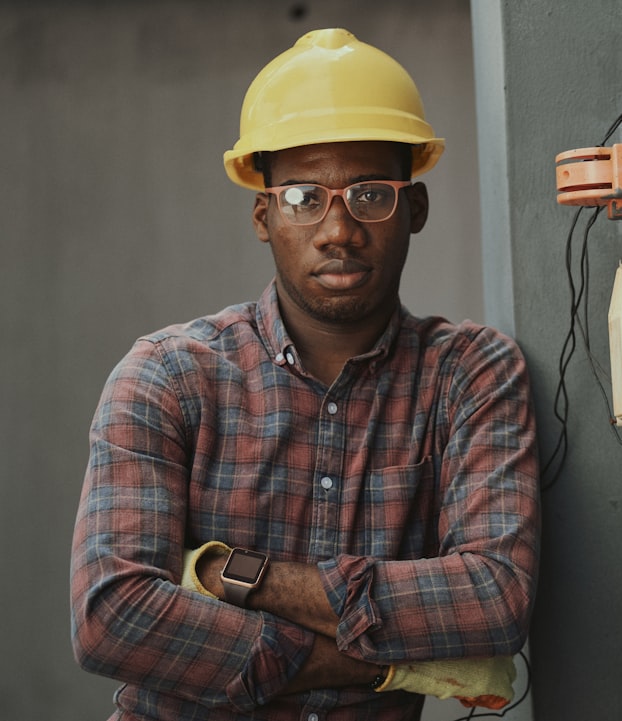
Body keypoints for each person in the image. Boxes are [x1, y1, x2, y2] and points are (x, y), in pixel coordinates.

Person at [70, 28, 540, 721]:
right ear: (264, 215)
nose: (338, 229)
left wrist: (238, 577)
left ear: (415, 209)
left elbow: (495, 599)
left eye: (370, 195)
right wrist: (383, 664)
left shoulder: (470, 374)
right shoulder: (167, 376)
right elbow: (111, 615)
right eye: (302, 198)